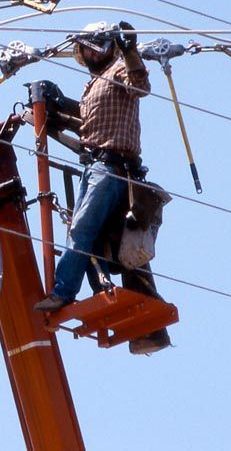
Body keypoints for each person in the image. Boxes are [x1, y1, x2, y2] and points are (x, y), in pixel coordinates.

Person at [34, 21, 171, 355]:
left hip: (112, 169)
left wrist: (130, 51)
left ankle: (63, 292)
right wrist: (57, 105)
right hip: (96, 165)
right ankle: (132, 314)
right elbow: (89, 122)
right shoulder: (94, 84)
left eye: (90, 48)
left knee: (81, 228)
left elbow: (140, 87)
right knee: (105, 244)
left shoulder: (121, 69)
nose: (87, 55)